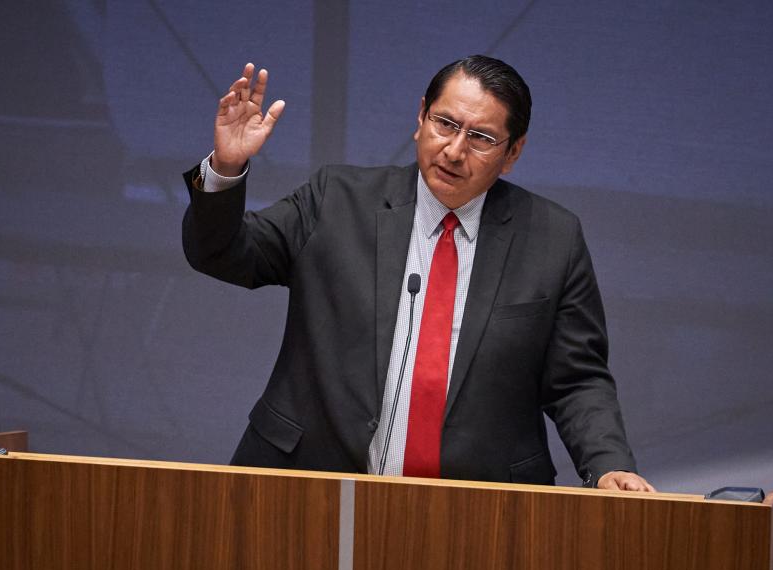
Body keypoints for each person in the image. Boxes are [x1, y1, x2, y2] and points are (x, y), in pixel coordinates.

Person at [183, 56, 654, 492]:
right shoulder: (337, 200)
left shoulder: (553, 238)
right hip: (308, 482)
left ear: (513, 152)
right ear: (421, 117)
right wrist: (226, 168)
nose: (453, 150)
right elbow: (223, 254)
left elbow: (577, 379)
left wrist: (610, 463)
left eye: (481, 138)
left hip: (478, 506)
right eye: (445, 123)